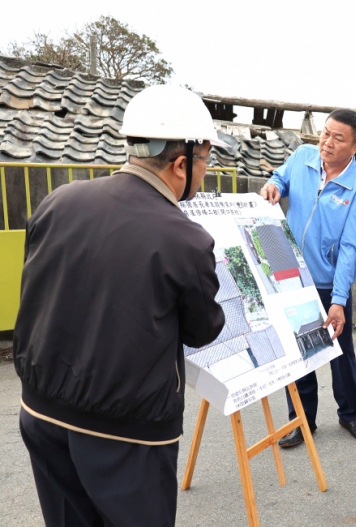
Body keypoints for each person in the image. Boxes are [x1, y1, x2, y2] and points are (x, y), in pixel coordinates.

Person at [13, 84, 227, 527]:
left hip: (40, 412)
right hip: (128, 433)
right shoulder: (185, 239)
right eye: (205, 160)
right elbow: (203, 329)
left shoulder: (58, 201)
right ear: (181, 162)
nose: (205, 172)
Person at [261, 109, 356, 447]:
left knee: (339, 352)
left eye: (339, 138)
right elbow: (280, 178)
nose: (327, 142)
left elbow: (351, 250)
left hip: (327, 284)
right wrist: (273, 185)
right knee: (297, 353)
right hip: (288, 275)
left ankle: (351, 413)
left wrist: (338, 300)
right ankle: (301, 420)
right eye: (325, 133)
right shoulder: (302, 157)